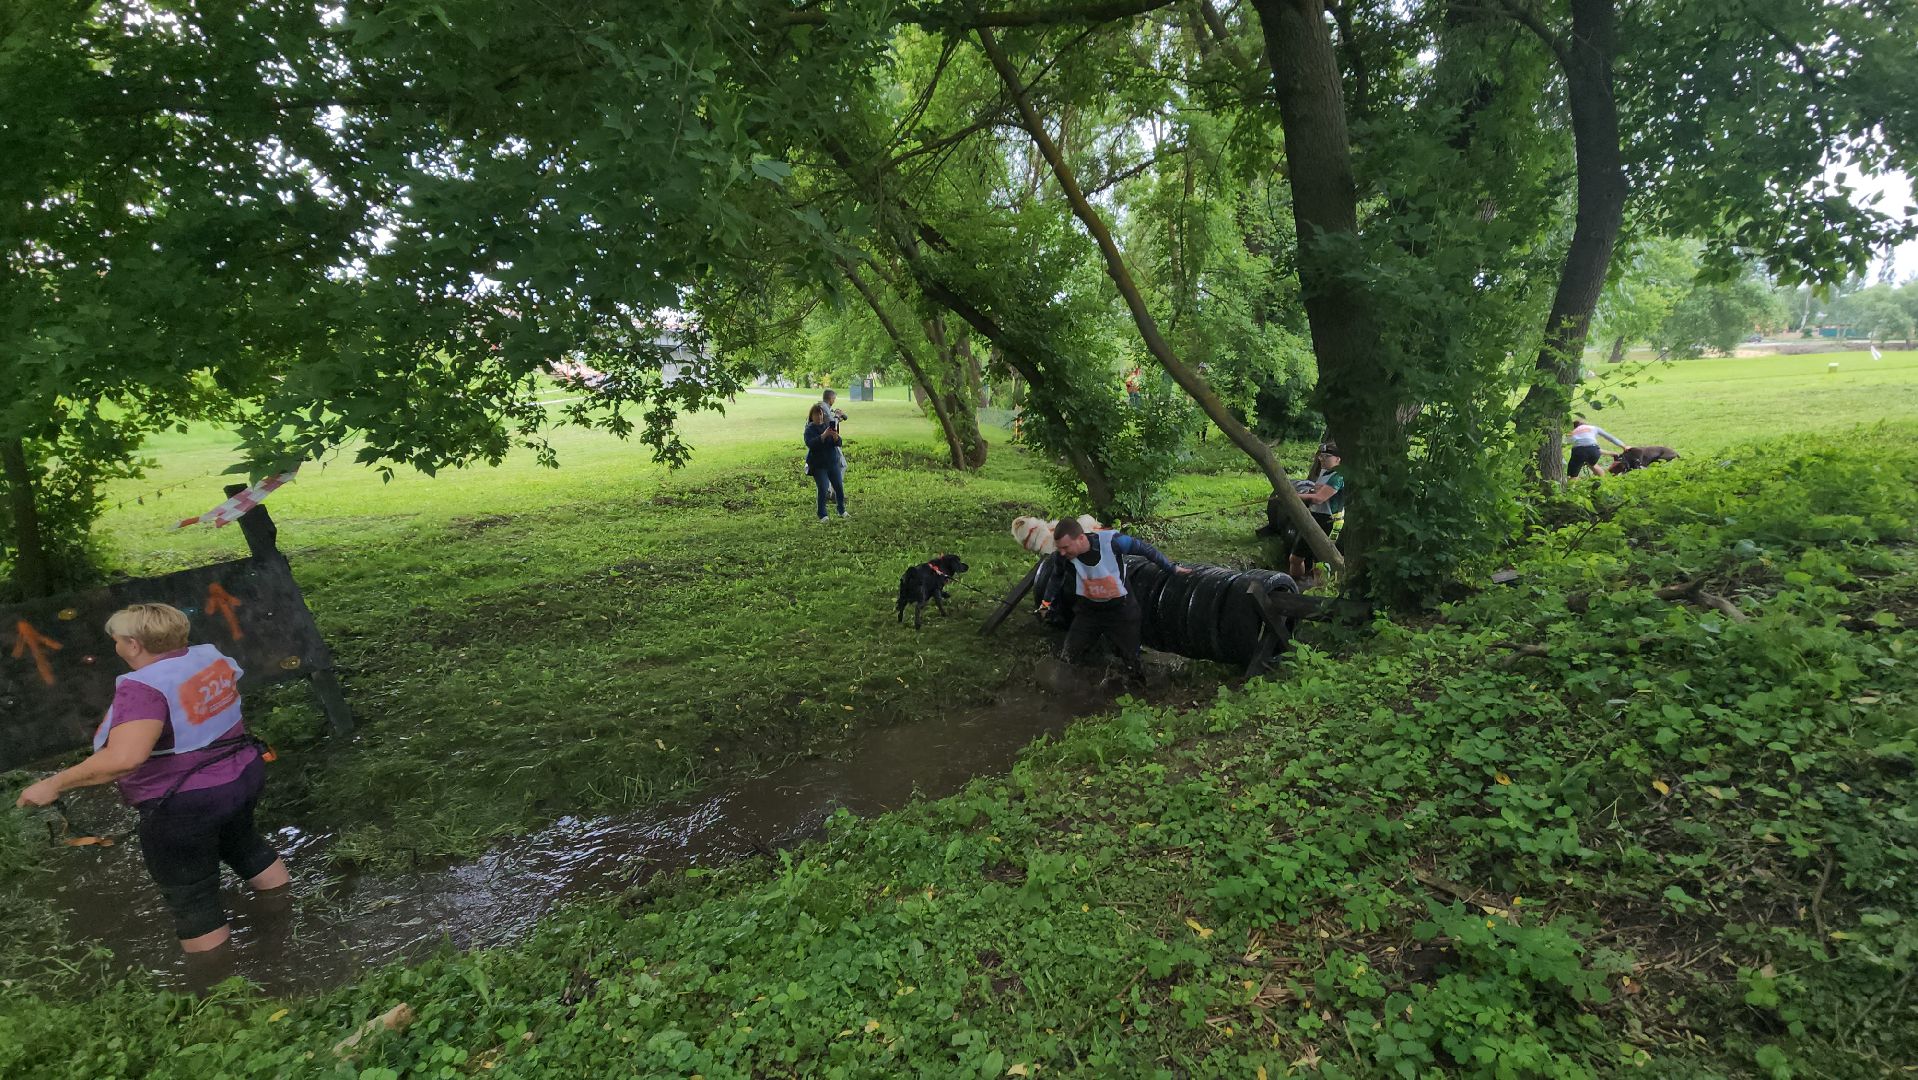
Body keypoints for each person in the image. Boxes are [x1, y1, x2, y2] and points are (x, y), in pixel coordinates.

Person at [14, 603, 288, 954]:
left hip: (187, 802)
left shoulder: (144, 689)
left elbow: (124, 759)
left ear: (133, 644)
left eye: (117, 640)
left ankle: (217, 977)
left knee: (191, 895)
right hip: (242, 775)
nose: (115, 646)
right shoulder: (207, 657)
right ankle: (287, 915)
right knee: (244, 843)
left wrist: (52, 784)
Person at [1046, 518, 1190, 677]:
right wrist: (1046, 603)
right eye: (1059, 548)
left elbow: (1145, 549)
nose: (1062, 552)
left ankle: (1139, 687)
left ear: (1081, 538)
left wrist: (1171, 568)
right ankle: (1069, 685)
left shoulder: (1113, 542)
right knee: (1069, 654)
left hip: (1121, 611)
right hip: (1088, 611)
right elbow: (1056, 577)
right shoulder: (1062, 556)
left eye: (1066, 547)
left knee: (1131, 662)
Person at [1288, 442, 1346, 586]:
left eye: (1327, 456)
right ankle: (1295, 585)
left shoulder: (1338, 477)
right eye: (1321, 456)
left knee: (1320, 564)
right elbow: (1315, 493)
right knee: (1295, 558)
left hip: (1329, 521)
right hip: (1314, 517)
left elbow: (1319, 498)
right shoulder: (1324, 473)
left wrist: (1291, 496)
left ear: (1338, 459)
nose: (1322, 459)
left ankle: (1321, 592)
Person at [804, 403, 847, 521]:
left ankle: (841, 510)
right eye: (816, 414)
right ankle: (822, 514)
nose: (819, 417)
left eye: (820, 414)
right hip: (819, 465)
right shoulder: (809, 429)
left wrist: (836, 437)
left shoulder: (827, 426)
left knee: (839, 488)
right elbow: (811, 444)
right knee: (823, 489)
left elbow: (838, 443)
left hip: (833, 463)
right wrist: (823, 436)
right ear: (811, 416)